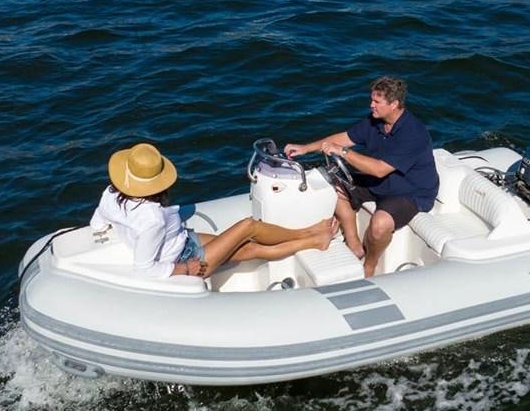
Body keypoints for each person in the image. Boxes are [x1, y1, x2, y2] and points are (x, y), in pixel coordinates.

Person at [91, 142, 336, 279]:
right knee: (248, 226)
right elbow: (143, 269)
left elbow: (98, 221)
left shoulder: (110, 194)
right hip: (185, 261)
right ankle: (310, 234)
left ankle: (313, 239)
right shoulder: (151, 218)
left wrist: (110, 229)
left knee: (250, 249)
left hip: (182, 242)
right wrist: (185, 269)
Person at [285, 76, 438, 278]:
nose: (371, 105)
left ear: (394, 104)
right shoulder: (375, 122)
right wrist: (306, 148)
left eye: (377, 101)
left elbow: (379, 169)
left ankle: (370, 266)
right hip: (380, 184)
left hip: (409, 192)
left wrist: (343, 152)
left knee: (379, 225)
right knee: (332, 184)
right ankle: (354, 244)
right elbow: (345, 138)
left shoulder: (413, 133)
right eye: (371, 99)